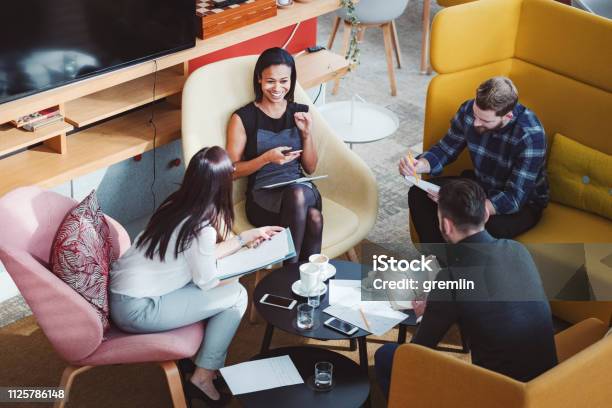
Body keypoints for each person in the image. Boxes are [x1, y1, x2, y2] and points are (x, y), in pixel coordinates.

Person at [110, 146, 283, 405]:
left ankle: (200, 365)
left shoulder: (176, 204)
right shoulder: (201, 227)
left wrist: (244, 238)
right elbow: (207, 281)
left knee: (230, 289)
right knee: (236, 295)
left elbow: (200, 255)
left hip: (127, 295)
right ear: (223, 184)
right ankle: (202, 377)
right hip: (138, 309)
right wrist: (248, 266)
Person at [375, 179, 557, 398]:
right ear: (486, 215)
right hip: (547, 387)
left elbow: (417, 354)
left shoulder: (451, 279)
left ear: (446, 226)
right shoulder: (518, 250)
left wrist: (431, 311)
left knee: (388, 356)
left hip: (498, 395)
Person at [401, 77, 548, 242]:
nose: (476, 122)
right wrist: (419, 165)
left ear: (507, 116)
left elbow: (514, 197)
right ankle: (436, 258)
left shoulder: (530, 136)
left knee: (479, 228)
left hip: (521, 204)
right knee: (419, 194)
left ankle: (456, 265)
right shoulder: (469, 110)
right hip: (480, 185)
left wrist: (466, 207)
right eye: (476, 114)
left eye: (485, 120)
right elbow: (446, 149)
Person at [226, 47, 322, 263]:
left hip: (302, 192)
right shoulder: (243, 118)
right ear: (259, 79)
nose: (278, 88)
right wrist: (266, 158)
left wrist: (306, 135)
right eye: (270, 81)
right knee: (314, 219)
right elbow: (230, 171)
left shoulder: (299, 111)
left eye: (284, 81)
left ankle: (288, 278)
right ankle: (306, 286)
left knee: (297, 194)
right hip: (263, 199)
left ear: (291, 80)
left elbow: (311, 168)